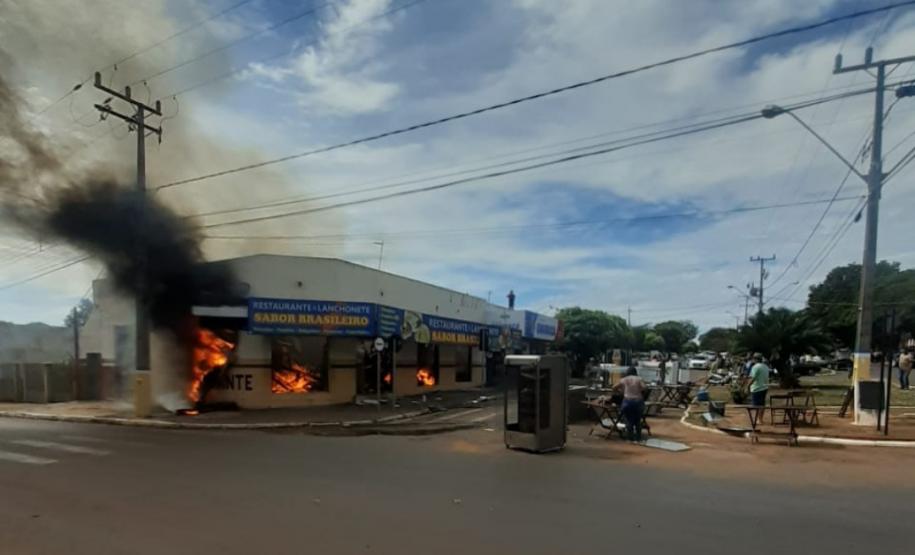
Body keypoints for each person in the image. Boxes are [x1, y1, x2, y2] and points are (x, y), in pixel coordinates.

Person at [613, 367, 646, 442]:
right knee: (638, 420)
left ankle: (629, 438)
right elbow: (645, 387)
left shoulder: (624, 379)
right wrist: (640, 392)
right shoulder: (639, 379)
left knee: (629, 420)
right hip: (638, 402)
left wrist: (621, 391)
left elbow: (614, 387)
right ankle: (638, 437)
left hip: (627, 402)